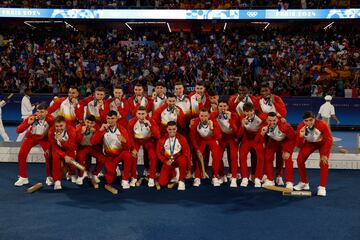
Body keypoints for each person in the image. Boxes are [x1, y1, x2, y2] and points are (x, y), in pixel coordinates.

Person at [90, 110, 133, 189]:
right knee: (109, 180)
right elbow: (93, 142)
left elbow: (128, 148)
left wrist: (124, 141)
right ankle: (114, 171)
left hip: (119, 155)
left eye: (112, 118)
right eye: (108, 118)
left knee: (128, 155)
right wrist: (100, 131)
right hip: (109, 158)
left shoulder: (122, 130)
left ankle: (125, 179)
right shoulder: (103, 129)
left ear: (116, 118)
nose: (110, 120)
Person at [14, 103, 54, 186]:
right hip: (31, 137)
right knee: (21, 154)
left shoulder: (51, 120)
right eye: (38, 111)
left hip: (44, 139)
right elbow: (18, 130)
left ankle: (49, 177)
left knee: (49, 156)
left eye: (42, 112)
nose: (39, 114)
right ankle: (23, 177)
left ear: (47, 112)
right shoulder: (32, 117)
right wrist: (28, 123)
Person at [294, 111, 333, 197]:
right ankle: (304, 182)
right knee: (299, 160)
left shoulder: (322, 125)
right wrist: (301, 137)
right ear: (303, 121)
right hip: (310, 144)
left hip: (323, 143)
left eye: (310, 120)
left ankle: (322, 187)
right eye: (306, 121)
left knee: (323, 162)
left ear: (314, 118)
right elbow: (299, 145)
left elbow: (329, 139)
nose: (308, 123)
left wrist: (325, 154)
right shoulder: (300, 127)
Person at [260, 112, 296, 190]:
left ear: (277, 119)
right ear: (266, 120)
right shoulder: (263, 126)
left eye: (274, 120)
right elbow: (260, 138)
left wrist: (288, 151)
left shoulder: (285, 126)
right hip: (273, 141)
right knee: (268, 157)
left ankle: (289, 181)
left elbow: (293, 138)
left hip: (285, 141)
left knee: (287, 159)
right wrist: (262, 135)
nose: (272, 122)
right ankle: (270, 179)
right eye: (270, 120)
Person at [127, 106, 161, 187]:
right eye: (139, 114)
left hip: (148, 140)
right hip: (136, 140)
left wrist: (150, 125)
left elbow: (157, 136)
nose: (141, 116)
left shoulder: (151, 121)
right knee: (133, 155)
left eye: (143, 114)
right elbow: (129, 137)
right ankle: (134, 177)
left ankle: (152, 177)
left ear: (146, 114)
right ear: (136, 114)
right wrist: (133, 148)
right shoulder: (131, 122)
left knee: (153, 156)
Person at [190, 108, 222, 187]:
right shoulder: (195, 122)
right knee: (198, 157)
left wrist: (212, 128)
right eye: (201, 116)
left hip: (212, 140)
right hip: (201, 140)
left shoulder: (213, 122)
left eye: (205, 116)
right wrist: (197, 149)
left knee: (216, 156)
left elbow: (219, 137)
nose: (203, 118)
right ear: (199, 116)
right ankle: (197, 177)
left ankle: (214, 176)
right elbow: (192, 137)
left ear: (209, 116)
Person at [211, 100, 239, 187]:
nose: (222, 108)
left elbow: (235, 130)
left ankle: (234, 177)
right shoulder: (213, 115)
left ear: (227, 107)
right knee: (217, 157)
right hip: (221, 138)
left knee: (234, 157)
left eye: (224, 106)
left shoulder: (234, 115)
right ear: (217, 107)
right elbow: (203, 118)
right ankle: (219, 176)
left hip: (231, 138)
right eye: (220, 106)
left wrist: (230, 119)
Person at [156, 121, 191, 190]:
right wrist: (165, 161)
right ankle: (174, 173)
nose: (172, 131)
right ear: (167, 129)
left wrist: (189, 170)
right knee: (162, 183)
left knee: (183, 160)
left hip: (178, 158)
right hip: (168, 160)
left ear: (176, 129)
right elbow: (158, 153)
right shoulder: (162, 139)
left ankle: (181, 181)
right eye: (170, 129)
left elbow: (187, 154)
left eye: (174, 129)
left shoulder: (182, 138)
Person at [48, 115, 77, 190]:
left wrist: (61, 140)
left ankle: (72, 173)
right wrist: (64, 156)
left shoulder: (72, 130)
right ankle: (57, 181)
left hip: (69, 148)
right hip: (57, 149)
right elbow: (54, 147)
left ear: (65, 124)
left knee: (72, 161)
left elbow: (71, 146)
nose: (59, 128)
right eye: (57, 126)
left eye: (61, 126)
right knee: (55, 159)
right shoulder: (51, 131)